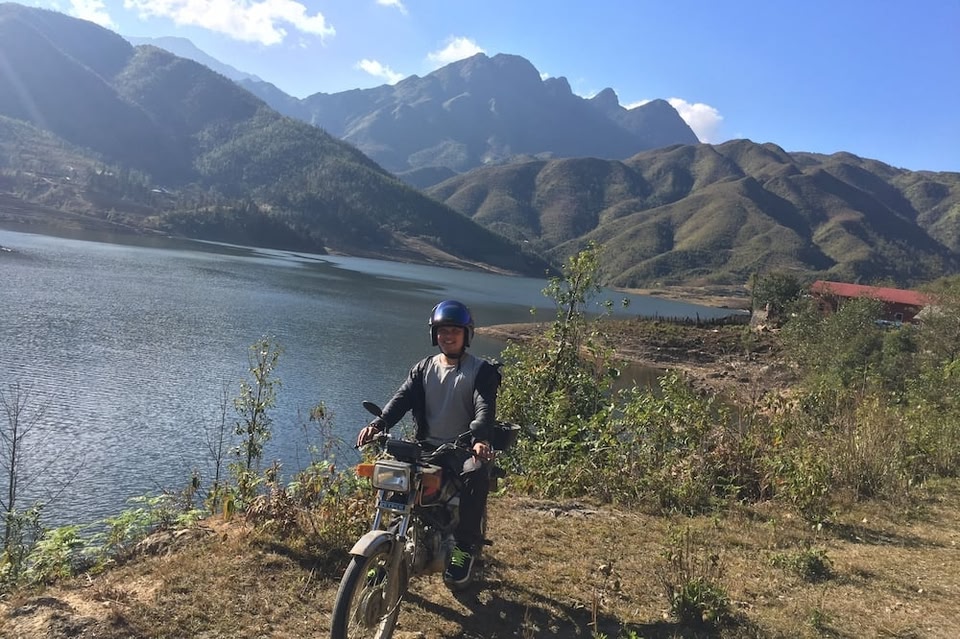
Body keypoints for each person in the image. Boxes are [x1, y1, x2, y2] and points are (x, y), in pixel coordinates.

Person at [356, 299, 500, 588]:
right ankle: (387, 552)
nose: (448, 336)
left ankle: (464, 548)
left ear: (467, 334)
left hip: (460, 449)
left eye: (455, 331)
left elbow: (484, 407)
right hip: (425, 447)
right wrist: (379, 424)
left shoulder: (481, 371)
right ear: (434, 334)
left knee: (475, 473)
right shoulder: (423, 368)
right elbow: (401, 399)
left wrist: (480, 439)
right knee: (397, 483)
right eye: (442, 330)